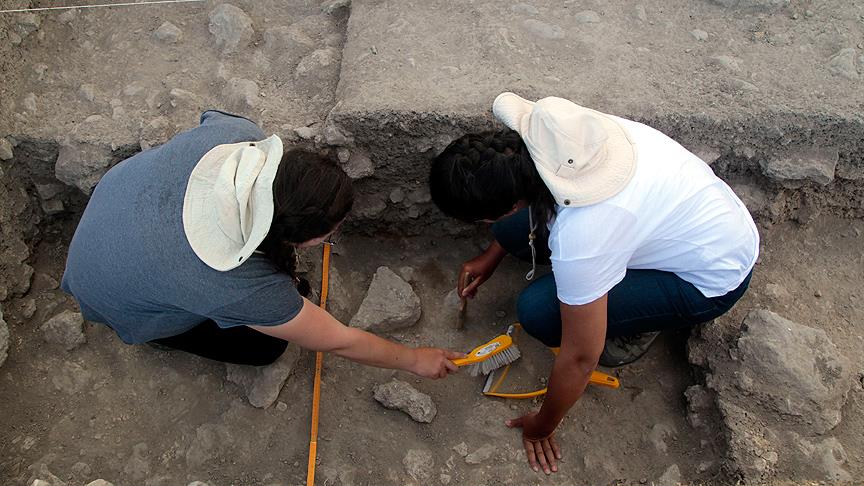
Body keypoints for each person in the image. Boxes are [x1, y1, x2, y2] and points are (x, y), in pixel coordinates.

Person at [429, 93, 759, 474]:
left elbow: (581, 357)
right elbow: (524, 215)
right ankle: (610, 289)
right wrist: (494, 251)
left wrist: (542, 425)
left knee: (537, 311)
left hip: (707, 280)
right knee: (514, 234)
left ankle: (641, 322)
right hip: (693, 222)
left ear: (507, 204)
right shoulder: (565, 136)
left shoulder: (583, 235)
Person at [62, 110, 462, 379]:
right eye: (329, 233)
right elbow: (339, 339)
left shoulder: (236, 137)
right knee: (265, 348)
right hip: (113, 303)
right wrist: (413, 359)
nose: (331, 238)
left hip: (109, 219)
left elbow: (210, 114)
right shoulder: (240, 285)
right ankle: (162, 336)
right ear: (294, 236)